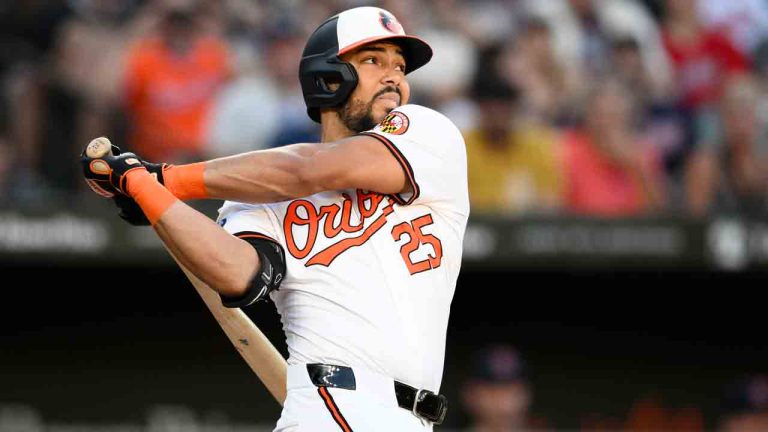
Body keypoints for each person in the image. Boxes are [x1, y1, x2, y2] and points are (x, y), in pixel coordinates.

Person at [80, 6, 468, 432]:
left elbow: (310, 169)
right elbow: (237, 277)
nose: (393, 76)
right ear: (329, 76)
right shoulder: (254, 193)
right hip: (327, 405)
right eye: (373, 61)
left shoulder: (427, 132)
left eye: (400, 66)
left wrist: (167, 179)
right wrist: (147, 190)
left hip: (413, 418)